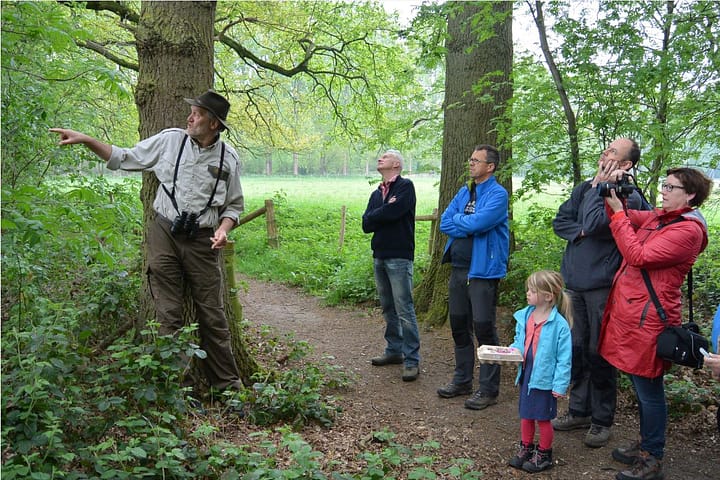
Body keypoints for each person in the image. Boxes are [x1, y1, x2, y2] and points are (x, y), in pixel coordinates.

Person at [50, 90, 245, 398]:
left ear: (214, 124)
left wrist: (223, 229)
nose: (190, 118)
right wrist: (86, 139)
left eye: (197, 114)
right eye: (192, 112)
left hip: (204, 241)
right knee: (168, 314)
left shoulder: (229, 158)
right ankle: (176, 390)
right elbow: (123, 157)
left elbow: (234, 205)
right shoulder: (170, 141)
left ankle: (229, 389)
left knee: (213, 315)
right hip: (164, 234)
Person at [598, 167, 712, 480]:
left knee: (649, 389)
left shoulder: (687, 231)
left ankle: (652, 457)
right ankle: (647, 440)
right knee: (641, 384)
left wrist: (619, 213)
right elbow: (627, 218)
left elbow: (638, 255)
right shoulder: (661, 218)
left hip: (651, 319)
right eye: (664, 185)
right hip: (634, 313)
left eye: (670, 187)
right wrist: (615, 193)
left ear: (690, 195)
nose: (663, 191)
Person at [552, 138, 647, 448]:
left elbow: (595, 223)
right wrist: (580, 229)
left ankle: (602, 419)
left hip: (603, 285)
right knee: (576, 348)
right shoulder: (585, 188)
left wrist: (599, 190)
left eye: (613, 152)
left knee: (600, 351)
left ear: (626, 164)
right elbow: (561, 221)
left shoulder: (627, 195)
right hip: (574, 283)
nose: (605, 152)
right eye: (606, 149)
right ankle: (579, 410)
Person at [436, 144, 510, 410]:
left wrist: (464, 223)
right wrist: (466, 223)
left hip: (483, 271)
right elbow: (444, 222)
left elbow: (480, 223)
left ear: (490, 166)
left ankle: (488, 390)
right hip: (458, 269)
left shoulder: (498, 194)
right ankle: (462, 380)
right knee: (458, 325)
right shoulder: (464, 191)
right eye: (470, 159)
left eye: (476, 160)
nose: (471, 163)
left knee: (484, 328)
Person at [362, 149, 421, 382]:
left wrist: (378, 215)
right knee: (388, 307)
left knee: (404, 309)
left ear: (396, 164)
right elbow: (366, 224)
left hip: (399, 256)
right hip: (379, 255)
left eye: (385, 156)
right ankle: (394, 350)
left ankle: (412, 359)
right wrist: (383, 212)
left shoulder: (405, 187)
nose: (380, 158)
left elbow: (394, 212)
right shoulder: (377, 192)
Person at [507, 270, 573, 473]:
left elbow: (564, 359)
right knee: (526, 414)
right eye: (528, 289)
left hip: (545, 379)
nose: (527, 293)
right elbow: (519, 340)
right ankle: (526, 447)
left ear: (548, 296)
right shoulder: (526, 315)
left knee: (543, 417)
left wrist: (560, 385)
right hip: (527, 374)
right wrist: (511, 352)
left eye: (532, 290)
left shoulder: (559, 325)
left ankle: (544, 453)